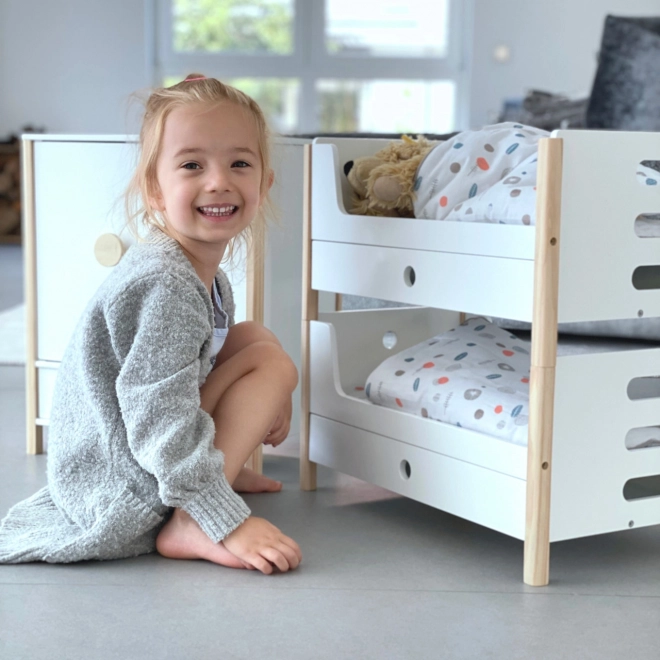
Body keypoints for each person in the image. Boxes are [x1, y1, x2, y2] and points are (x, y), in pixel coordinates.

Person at [0, 75, 302, 574]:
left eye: (239, 164)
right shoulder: (166, 285)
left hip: (134, 454)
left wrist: (273, 397)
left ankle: (217, 471)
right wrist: (218, 512)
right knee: (270, 363)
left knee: (254, 337)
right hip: (121, 487)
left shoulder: (204, 276)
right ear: (155, 191)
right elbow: (158, 417)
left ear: (264, 183)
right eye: (192, 165)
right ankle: (193, 517)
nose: (219, 181)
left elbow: (198, 368)